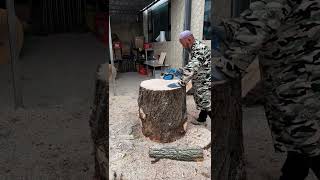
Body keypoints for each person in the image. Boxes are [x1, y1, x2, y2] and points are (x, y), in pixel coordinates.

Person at [212, 0, 320, 179]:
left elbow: (258, 24)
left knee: (308, 140)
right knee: (301, 143)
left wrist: (225, 68)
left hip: (298, 82)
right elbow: (259, 16)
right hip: (303, 75)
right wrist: (226, 28)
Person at [178, 30, 212, 125]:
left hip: (206, 81)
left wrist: (182, 82)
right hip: (202, 79)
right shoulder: (194, 47)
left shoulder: (199, 48)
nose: (183, 46)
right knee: (203, 102)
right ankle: (202, 119)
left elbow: (192, 67)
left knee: (207, 103)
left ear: (189, 39)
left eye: (183, 44)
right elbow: (197, 63)